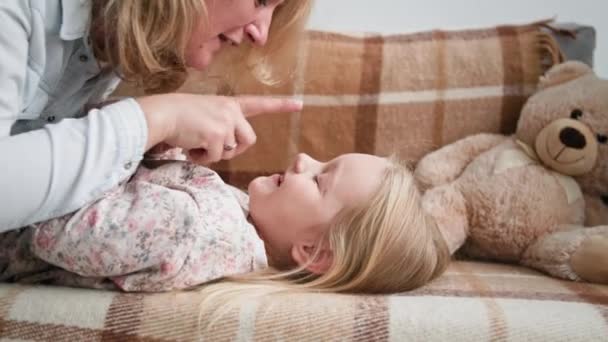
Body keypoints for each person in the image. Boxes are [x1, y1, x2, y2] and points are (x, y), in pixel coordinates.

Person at [0, 0, 311, 231]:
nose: (262, 34)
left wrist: (138, 139)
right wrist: (157, 118)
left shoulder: (106, 48)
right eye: (259, 1)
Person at [0, 153, 450, 294]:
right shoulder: (237, 216)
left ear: (312, 252)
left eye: (318, 179)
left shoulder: (196, 232)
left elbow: (53, 231)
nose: (301, 159)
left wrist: (135, 136)